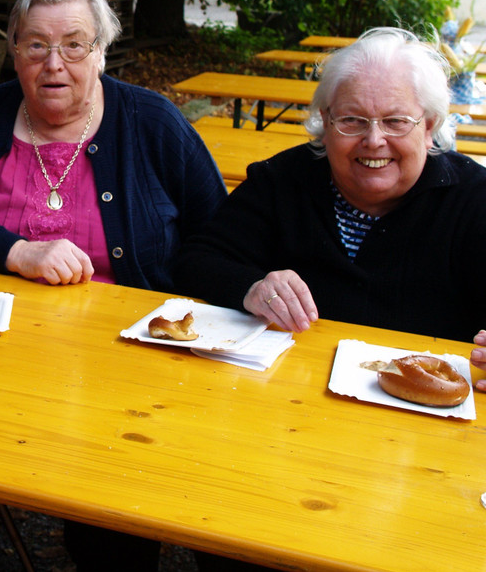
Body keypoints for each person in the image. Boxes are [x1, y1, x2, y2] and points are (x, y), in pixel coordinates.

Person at [0, 0, 227, 572]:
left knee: (111, 516)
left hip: (122, 367)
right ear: (13, 51)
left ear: (101, 52)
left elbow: (218, 236)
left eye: (75, 44)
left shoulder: (152, 123)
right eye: (36, 45)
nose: (55, 63)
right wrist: (16, 251)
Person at [173, 26, 486, 348]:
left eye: (396, 121)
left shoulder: (474, 199)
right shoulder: (281, 180)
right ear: (325, 121)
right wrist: (252, 287)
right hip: (289, 374)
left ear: (429, 126)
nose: (374, 140)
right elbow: (197, 261)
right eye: (352, 120)